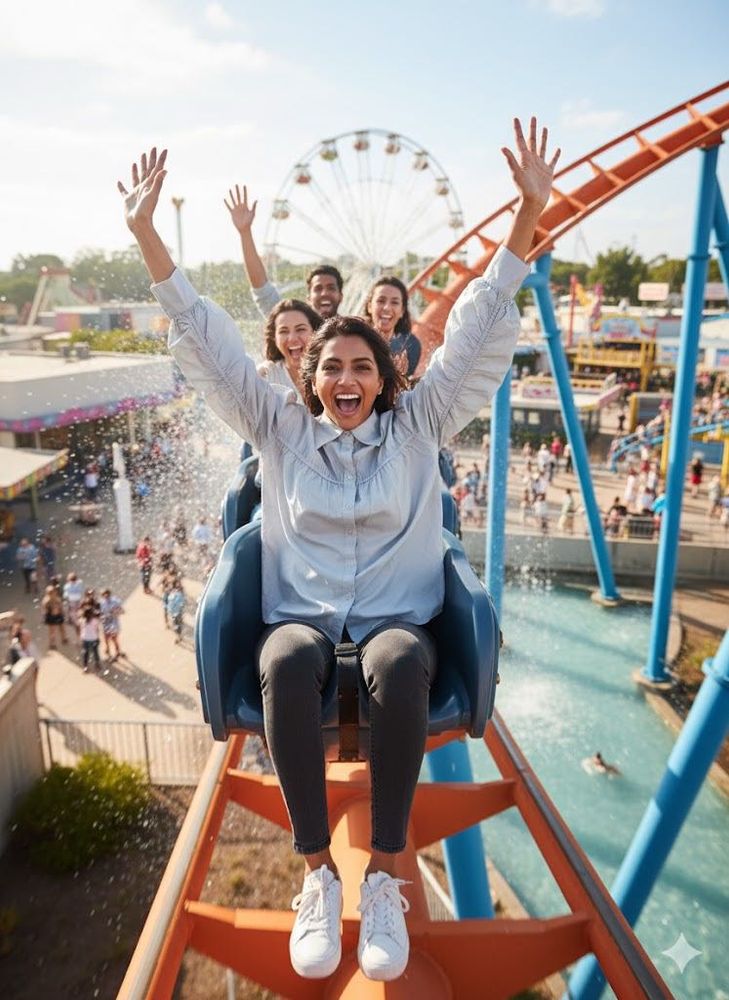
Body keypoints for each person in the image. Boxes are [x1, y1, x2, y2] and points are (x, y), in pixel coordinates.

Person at [119, 116, 559, 983]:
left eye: (362, 366)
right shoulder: (278, 431)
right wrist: (146, 239)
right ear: (310, 380)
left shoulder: (420, 425)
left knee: (400, 659)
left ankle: (385, 877)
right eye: (331, 369)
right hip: (307, 625)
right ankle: (318, 873)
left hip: (397, 621)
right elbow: (211, 347)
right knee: (282, 658)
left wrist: (525, 221)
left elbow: (475, 331)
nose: (347, 380)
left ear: (383, 377)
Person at [225, 183, 344, 320]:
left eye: (331, 288)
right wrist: (245, 232)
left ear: (341, 296)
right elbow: (262, 291)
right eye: (317, 288)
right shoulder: (294, 324)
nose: (324, 293)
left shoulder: (354, 332)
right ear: (308, 298)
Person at [257, 298, 323, 399]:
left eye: (300, 329)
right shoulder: (266, 377)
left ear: (315, 332)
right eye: (284, 331)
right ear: (274, 338)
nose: (292, 338)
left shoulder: (332, 371)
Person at [364, 277, 422, 378]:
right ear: (369, 307)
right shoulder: (354, 342)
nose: (387, 308)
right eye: (381, 301)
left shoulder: (411, 346)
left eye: (394, 302)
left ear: (402, 311)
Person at [99, 588, 124, 661]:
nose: (106, 596)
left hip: (113, 623)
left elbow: (122, 611)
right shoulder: (101, 603)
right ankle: (109, 653)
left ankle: (117, 651)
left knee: (114, 638)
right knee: (106, 638)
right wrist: (102, 616)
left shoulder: (115, 601)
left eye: (107, 594)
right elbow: (100, 613)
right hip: (105, 622)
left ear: (109, 594)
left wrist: (115, 612)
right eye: (104, 595)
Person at [41, 584, 68, 649]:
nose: (53, 594)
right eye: (50, 593)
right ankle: (52, 643)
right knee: (52, 631)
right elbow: (44, 610)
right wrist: (51, 610)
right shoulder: (46, 601)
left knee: (62, 628)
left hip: (58, 615)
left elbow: (61, 606)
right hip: (51, 616)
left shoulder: (57, 598)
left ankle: (64, 638)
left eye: (53, 592)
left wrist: (61, 611)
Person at [80, 604, 101, 673]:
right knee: (95, 652)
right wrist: (98, 637)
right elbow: (97, 629)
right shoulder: (95, 620)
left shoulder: (82, 620)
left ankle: (86, 666)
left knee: (86, 652)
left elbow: (81, 629)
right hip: (92, 638)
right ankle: (96, 664)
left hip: (86, 638)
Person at [63, 572, 85, 640]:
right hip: (78, 603)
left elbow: (65, 596)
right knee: (79, 621)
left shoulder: (67, 586)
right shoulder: (79, 583)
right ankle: (81, 636)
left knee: (76, 622)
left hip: (73, 604)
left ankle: (79, 636)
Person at [167, 578, 186, 644]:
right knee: (176, 623)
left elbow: (182, 601)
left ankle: (178, 637)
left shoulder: (180, 591)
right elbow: (170, 601)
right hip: (174, 611)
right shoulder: (172, 591)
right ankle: (178, 636)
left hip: (178, 611)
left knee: (177, 624)